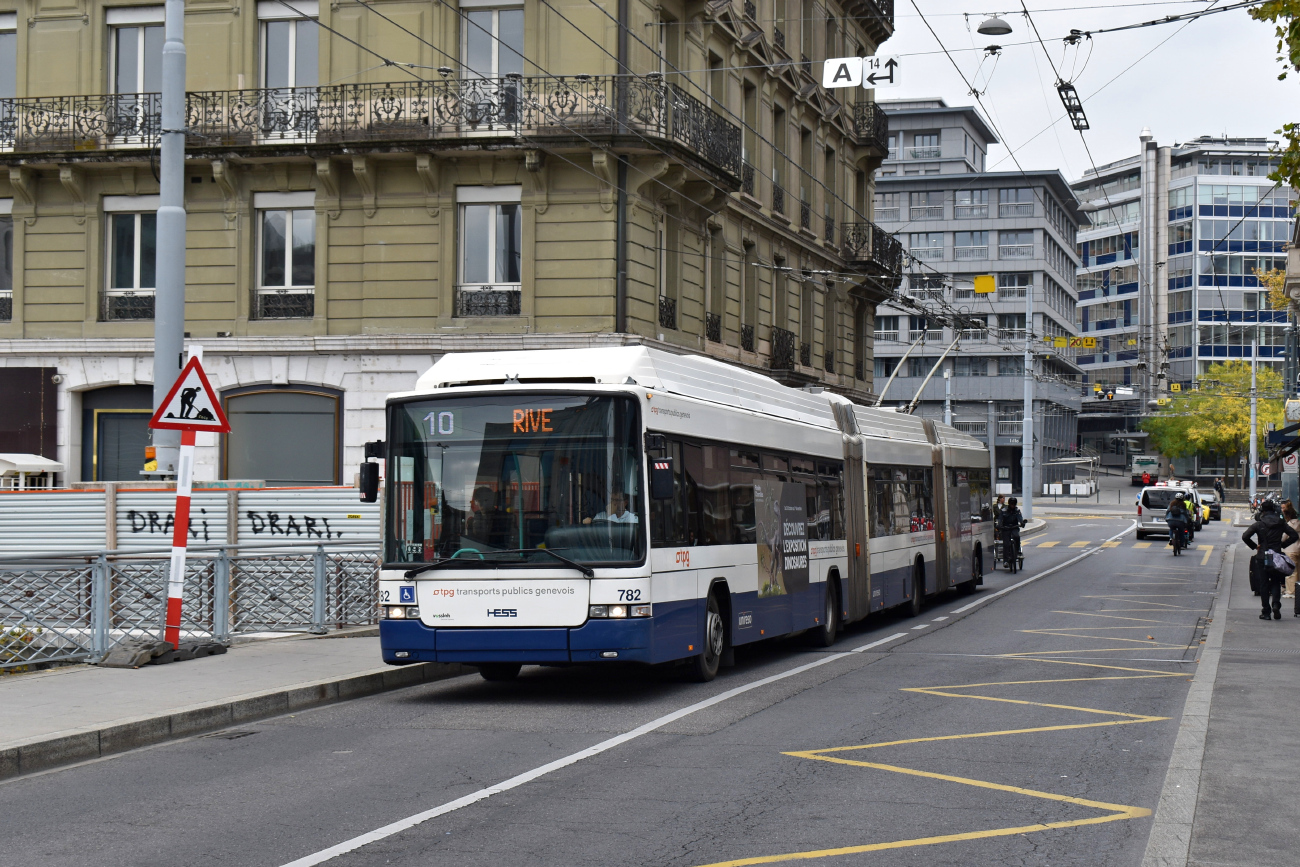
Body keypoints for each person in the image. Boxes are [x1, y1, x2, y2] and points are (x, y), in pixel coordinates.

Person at [1241, 499, 1300, 621]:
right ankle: (1276, 604)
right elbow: (1294, 535)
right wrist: (1282, 545)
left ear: (1262, 510)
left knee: (1263, 584)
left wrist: (1255, 546)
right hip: (1276, 555)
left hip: (1263, 556)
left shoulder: (1259, 524)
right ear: (1274, 509)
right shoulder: (1281, 523)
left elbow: (1245, 536)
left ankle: (1266, 611)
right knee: (1275, 581)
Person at [999, 496, 1026, 564]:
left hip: (1014, 527)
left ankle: (1017, 551)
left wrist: (1022, 523)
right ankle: (1005, 560)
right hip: (1006, 528)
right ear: (1009, 504)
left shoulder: (1017, 511)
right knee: (1006, 544)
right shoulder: (1003, 511)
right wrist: (999, 525)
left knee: (1017, 537)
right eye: (1011, 504)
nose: (1012, 506)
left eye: (1014, 504)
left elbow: (1020, 518)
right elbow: (1000, 519)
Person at [1283, 502, 1300, 606]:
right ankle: (1298, 590)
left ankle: (1291, 591)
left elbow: (1283, 538)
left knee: (1291, 572)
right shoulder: (1299, 523)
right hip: (1299, 548)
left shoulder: (1289, 525)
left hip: (1290, 549)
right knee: (1298, 571)